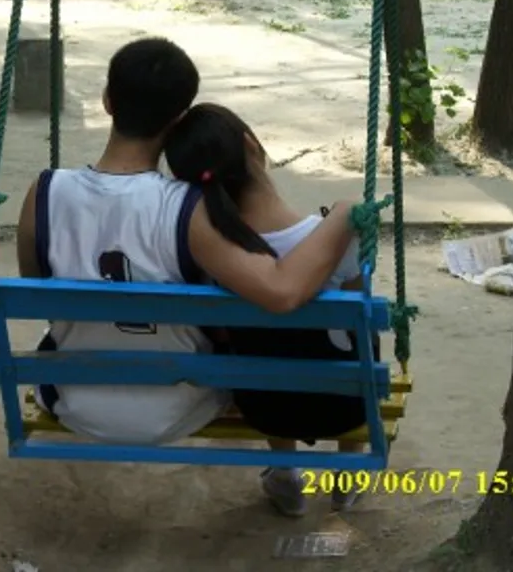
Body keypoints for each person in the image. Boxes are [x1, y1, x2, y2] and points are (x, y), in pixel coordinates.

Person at [15, 36, 358, 449]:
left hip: (74, 400)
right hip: (178, 407)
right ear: (178, 119)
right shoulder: (186, 207)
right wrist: (343, 213)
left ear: (107, 100)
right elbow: (282, 291)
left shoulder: (44, 192)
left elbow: (37, 291)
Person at [163, 102, 381, 516]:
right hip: (343, 407)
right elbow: (360, 321)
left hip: (264, 407)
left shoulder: (213, 254)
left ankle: (285, 471)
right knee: (359, 327)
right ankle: (349, 470)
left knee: (254, 344)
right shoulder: (333, 237)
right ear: (251, 145)